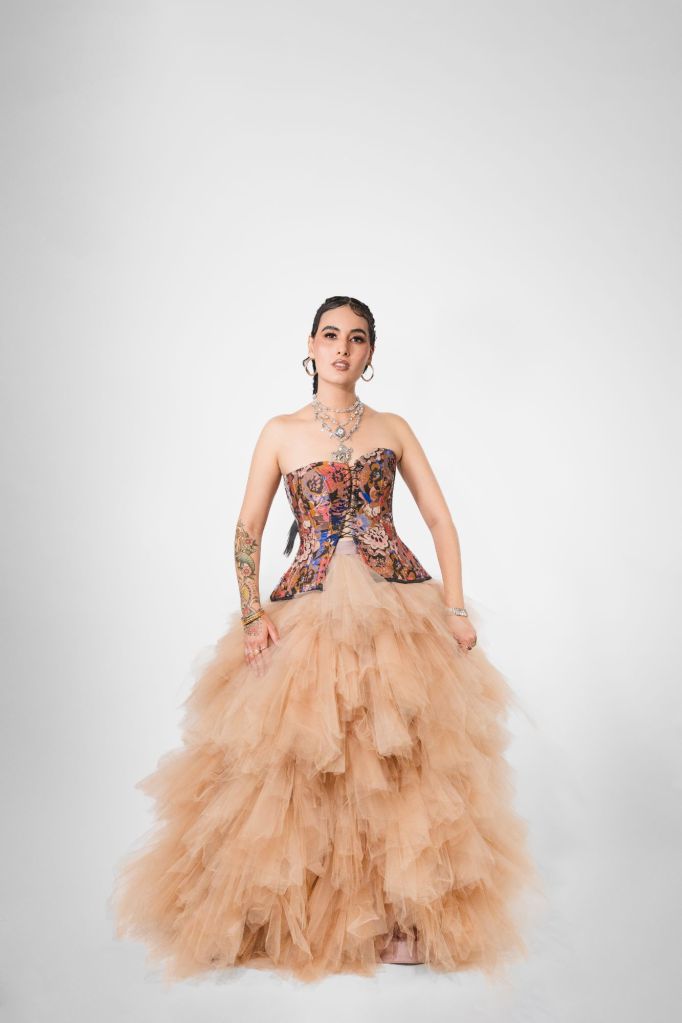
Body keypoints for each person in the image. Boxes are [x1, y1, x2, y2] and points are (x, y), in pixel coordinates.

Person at [109, 294, 537, 984]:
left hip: (396, 603)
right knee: (294, 759)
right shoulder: (280, 431)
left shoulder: (393, 427)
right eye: (331, 335)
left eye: (357, 338)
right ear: (310, 346)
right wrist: (252, 616)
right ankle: (258, 912)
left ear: (370, 354)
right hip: (307, 604)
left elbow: (440, 519)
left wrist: (456, 607)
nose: (343, 348)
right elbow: (247, 530)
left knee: (399, 756)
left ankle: (399, 916)